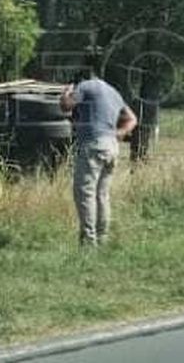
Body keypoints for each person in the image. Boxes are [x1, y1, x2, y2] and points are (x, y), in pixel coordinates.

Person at [60, 68, 138, 247]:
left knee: (85, 193)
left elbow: (66, 106)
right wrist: (119, 133)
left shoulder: (85, 87)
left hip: (93, 145)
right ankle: (102, 239)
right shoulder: (113, 92)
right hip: (111, 146)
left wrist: (66, 92)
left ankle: (88, 243)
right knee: (102, 194)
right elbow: (132, 119)